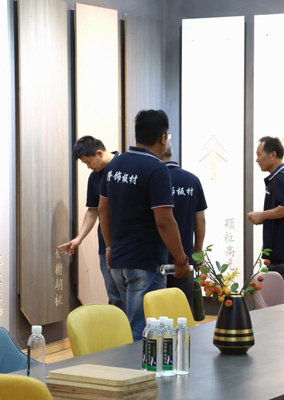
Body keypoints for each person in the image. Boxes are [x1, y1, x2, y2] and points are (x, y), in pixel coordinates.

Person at [98, 110, 190, 340]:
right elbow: (164, 220)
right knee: (145, 331)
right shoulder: (156, 169)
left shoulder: (114, 165)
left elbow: (102, 209)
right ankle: (140, 365)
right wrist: (181, 260)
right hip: (145, 262)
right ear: (163, 138)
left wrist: (109, 247)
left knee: (132, 327)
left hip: (118, 260)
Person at [58, 136, 123, 309]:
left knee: (133, 296)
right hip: (106, 245)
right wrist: (79, 238)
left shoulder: (125, 167)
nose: (88, 167)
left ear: (99, 153)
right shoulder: (94, 178)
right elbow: (93, 211)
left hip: (129, 244)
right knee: (114, 295)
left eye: (88, 162)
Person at [247, 136, 284, 297]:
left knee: (281, 306)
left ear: (272, 154)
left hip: (283, 257)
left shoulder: (281, 178)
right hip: (282, 256)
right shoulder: (282, 176)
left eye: (259, 155)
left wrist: (262, 215)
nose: (257, 160)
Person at [161, 140, 207, 309]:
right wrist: (198, 252)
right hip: (184, 259)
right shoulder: (192, 180)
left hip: (156, 260)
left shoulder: (154, 179)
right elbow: (200, 221)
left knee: (157, 312)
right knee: (182, 310)